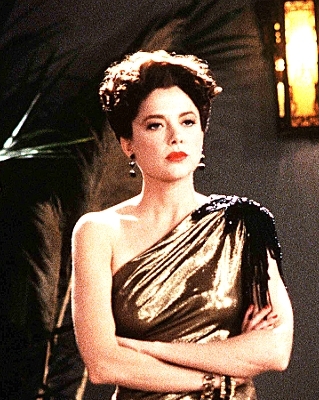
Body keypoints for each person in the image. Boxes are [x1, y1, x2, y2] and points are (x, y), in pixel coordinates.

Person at [71, 50, 294, 400]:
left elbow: (275, 350)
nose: (175, 136)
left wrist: (149, 348)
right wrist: (218, 375)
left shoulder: (242, 223)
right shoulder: (98, 232)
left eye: (188, 122)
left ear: (201, 132)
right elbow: (103, 364)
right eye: (155, 125)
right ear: (127, 143)